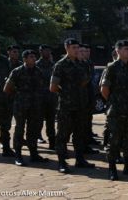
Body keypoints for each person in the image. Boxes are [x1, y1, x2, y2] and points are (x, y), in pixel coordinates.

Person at [50, 38, 95, 173]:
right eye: (74, 48)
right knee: (63, 135)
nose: (76, 50)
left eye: (78, 48)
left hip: (81, 105)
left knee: (79, 134)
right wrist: (65, 93)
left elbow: (86, 80)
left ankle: (80, 160)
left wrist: (77, 91)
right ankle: (62, 162)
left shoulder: (83, 64)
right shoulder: (60, 65)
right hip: (66, 107)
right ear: (67, 48)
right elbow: (53, 87)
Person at [101, 40, 128, 181]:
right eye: (126, 49)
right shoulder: (111, 67)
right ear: (118, 51)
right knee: (114, 140)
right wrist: (114, 102)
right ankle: (112, 169)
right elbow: (104, 89)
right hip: (116, 111)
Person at [4, 50, 49, 166]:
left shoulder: (38, 71)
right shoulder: (17, 71)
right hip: (21, 106)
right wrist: (18, 95)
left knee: (33, 130)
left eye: (34, 57)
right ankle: (18, 155)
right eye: (31, 57)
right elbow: (7, 88)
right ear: (24, 59)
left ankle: (34, 154)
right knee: (19, 129)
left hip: (35, 106)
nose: (34, 59)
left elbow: (43, 87)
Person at [0, 37, 14, 157]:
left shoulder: (5, 60)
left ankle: (6, 147)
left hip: (3, 98)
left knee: (5, 125)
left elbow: (10, 77)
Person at [36, 44, 56, 149]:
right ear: (41, 52)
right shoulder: (36, 65)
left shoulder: (53, 65)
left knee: (51, 121)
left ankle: (52, 141)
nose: (47, 52)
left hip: (51, 97)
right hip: (39, 98)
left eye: (49, 50)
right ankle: (37, 138)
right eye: (45, 51)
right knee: (38, 120)